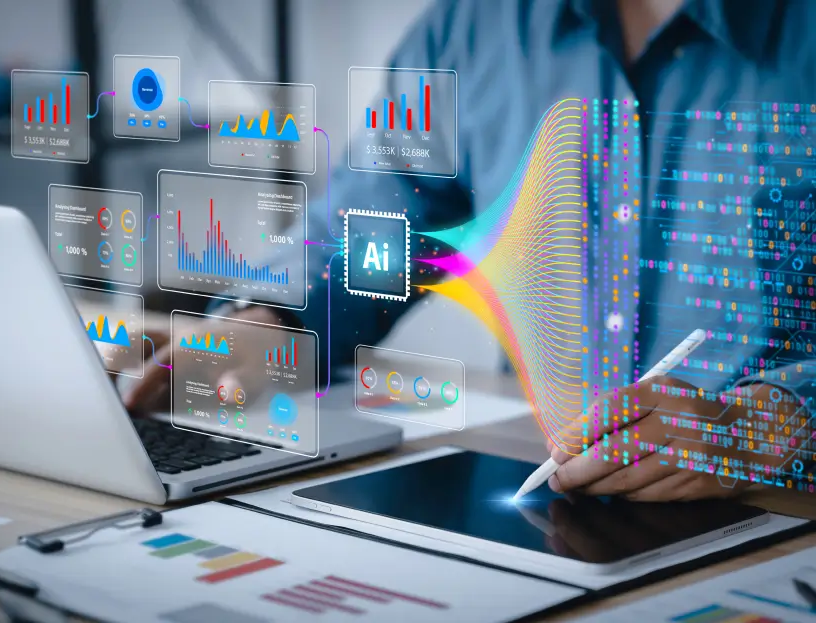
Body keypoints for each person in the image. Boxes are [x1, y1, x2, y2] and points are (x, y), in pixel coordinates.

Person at [129, 0, 816, 501]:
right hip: (539, 494)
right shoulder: (474, 25)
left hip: (776, 518)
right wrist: (272, 322)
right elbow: (378, 217)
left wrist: (773, 421)